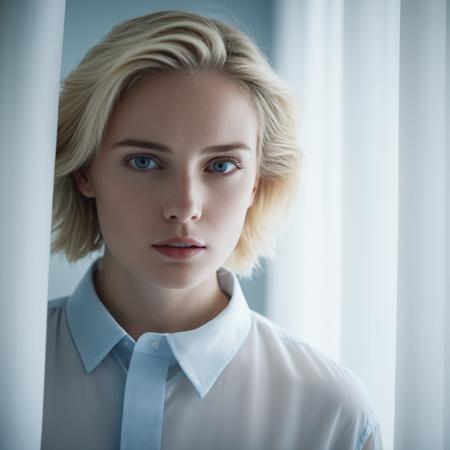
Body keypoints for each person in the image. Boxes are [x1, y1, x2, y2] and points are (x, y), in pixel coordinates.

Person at [42, 9, 383, 450]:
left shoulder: (335, 414)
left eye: (221, 165)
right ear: (85, 171)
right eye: (144, 161)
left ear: (257, 182)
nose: (185, 207)